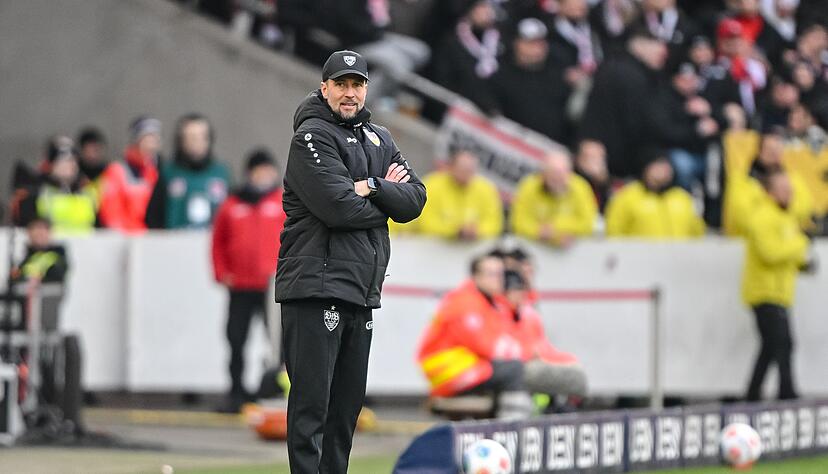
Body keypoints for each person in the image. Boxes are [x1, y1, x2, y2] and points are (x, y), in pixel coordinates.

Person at [274, 50, 426, 473]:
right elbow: (338, 207)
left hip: (360, 287)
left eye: (357, 84)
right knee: (312, 409)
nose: (349, 92)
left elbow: (415, 200)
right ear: (324, 88)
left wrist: (369, 186)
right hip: (315, 283)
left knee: (344, 413)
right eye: (340, 84)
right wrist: (384, 197)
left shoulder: (379, 137)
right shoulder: (311, 137)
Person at [211, 148, 286, 413]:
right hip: (241, 285)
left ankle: (274, 389)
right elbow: (218, 242)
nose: (265, 175)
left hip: (273, 287)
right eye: (260, 170)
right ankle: (236, 392)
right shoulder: (232, 204)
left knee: (278, 343)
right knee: (236, 339)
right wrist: (222, 273)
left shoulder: (283, 202)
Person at [417, 254, 532, 419]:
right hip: (447, 368)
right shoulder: (465, 302)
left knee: (513, 369)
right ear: (477, 277)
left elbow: (508, 337)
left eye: (501, 274)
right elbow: (486, 346)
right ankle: (512, 427)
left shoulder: (489, 301)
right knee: (513, 370)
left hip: (465, 364)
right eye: (492, 274)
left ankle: (504, 426)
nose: (499, 279)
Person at [743, 170, 812, 401]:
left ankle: (753, 395)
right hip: (764, 292)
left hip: (781, 292)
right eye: (784, 189)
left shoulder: (786, 217)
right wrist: (800, 243)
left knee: (770, 347)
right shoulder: (762, 217)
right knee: (783, 344)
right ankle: (787, 394)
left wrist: (802, 260)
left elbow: (790, 254)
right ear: (770, 193)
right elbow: (770, 253)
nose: (789, 194)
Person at [580, 28, 669, 178]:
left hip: (595, 149)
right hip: (621, 158)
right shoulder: (635, 77)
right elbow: (637, 124)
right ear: (639, 46)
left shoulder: (609, 64)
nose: (662, 53)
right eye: (656, 46)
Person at [488, 18, 571, 144]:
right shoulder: (502, 77)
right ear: (517, 43)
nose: (538, 47)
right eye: (531, 42)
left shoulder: (557, 75)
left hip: (551, 149)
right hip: (514, 146)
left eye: (541, 42)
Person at [146, 113, 230, 229]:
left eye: (202, 137)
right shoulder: (168, 173)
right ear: (181, 140)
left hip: (211, 242)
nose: (196, 143)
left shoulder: (222, 174)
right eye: (191, 137)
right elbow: (153, 217)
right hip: (175, 243)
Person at [510, 149, 598, 246]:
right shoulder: (529, 187)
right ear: (543, 174)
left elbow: (588, 223)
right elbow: (517, 221)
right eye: (553, 174)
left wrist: (556, 228)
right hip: (533, 247)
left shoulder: (581, 187)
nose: (557, 179)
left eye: (561, 174)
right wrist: (537, 231)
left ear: (570, 173)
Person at [605, 154, 706, 238]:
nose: (663, 171)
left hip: (679, 258)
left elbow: (697, 231)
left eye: (667, 166)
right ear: (646, 168)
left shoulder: (682, 197)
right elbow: (614, 231)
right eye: (658, 165)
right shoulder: (627, 195)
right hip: (639, 258)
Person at [15, 136, 97, 235]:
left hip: (87, 246)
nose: (70, 165)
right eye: (63, 160)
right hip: (51, 247)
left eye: (73, 160)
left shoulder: (87, 190)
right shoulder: (37, 191)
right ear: (51, 164)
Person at [415, 149, 503, 240]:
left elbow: (495, 224)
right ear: (451, 167)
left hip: (473, 248)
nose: (465, 175)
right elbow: (424, 222)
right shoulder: (432, 184)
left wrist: (477, 231)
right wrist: (454, 230)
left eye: (469, 170)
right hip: (431, 246)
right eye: (462, 170)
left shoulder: (486, 189)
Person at [431, 0, 502, 111]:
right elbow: (442, 76)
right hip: (449, 105)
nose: (487, 13)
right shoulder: (452, 40)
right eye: (482, 7)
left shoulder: (497, 47)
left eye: (490, 9)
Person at [99, 116, 161, 232]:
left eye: (155, 140)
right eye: (147, 140)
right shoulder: (117, 171)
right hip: (127, 242)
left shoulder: (155, 172)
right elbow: (111, 213)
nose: (151, 146)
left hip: (152, 240)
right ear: (136, 142)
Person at [10, 218, 69, 285]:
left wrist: (39, 278)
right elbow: (17, 279)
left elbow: (59, 274)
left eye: (41, 231)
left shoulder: (57, 253)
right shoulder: (27, 255)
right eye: (34, 231)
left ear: (49, 232)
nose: (37, 234)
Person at [574, 139, 613, 212]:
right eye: (592, 158)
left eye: (600, 158)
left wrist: (603, 183)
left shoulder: (608, 186)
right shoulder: (571, 183)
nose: (597, 163)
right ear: (579, 159)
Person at [76, 126, 109, 210]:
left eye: (96, 150)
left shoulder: (108, 172)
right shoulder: (75, 173)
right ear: (82, 150)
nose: (93, 155)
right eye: (89, 150)